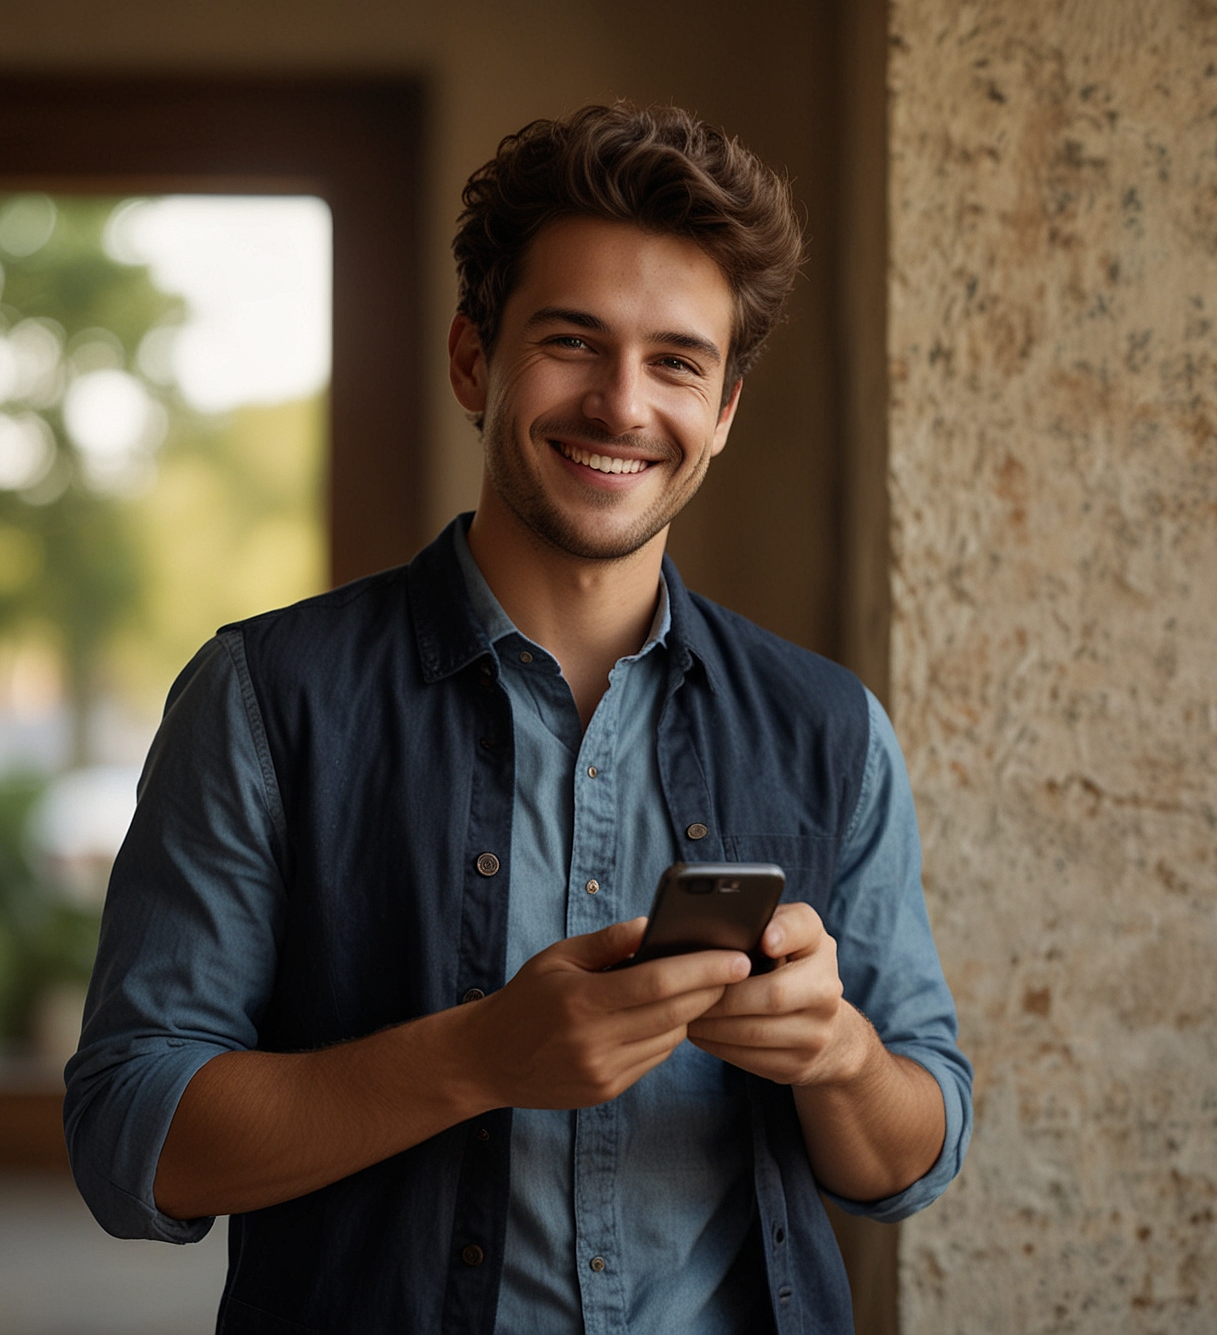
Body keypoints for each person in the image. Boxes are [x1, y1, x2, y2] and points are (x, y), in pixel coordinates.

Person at [65, 102, 971, 1334]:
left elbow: (909, 1163)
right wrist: (482, 1058)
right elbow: (131, 1138)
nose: (621, 405)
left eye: (676, 363)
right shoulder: (263, 699)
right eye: (571, 342)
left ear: (724, 413)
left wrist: (841, 1057)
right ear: (471, 361)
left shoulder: (831, 730)